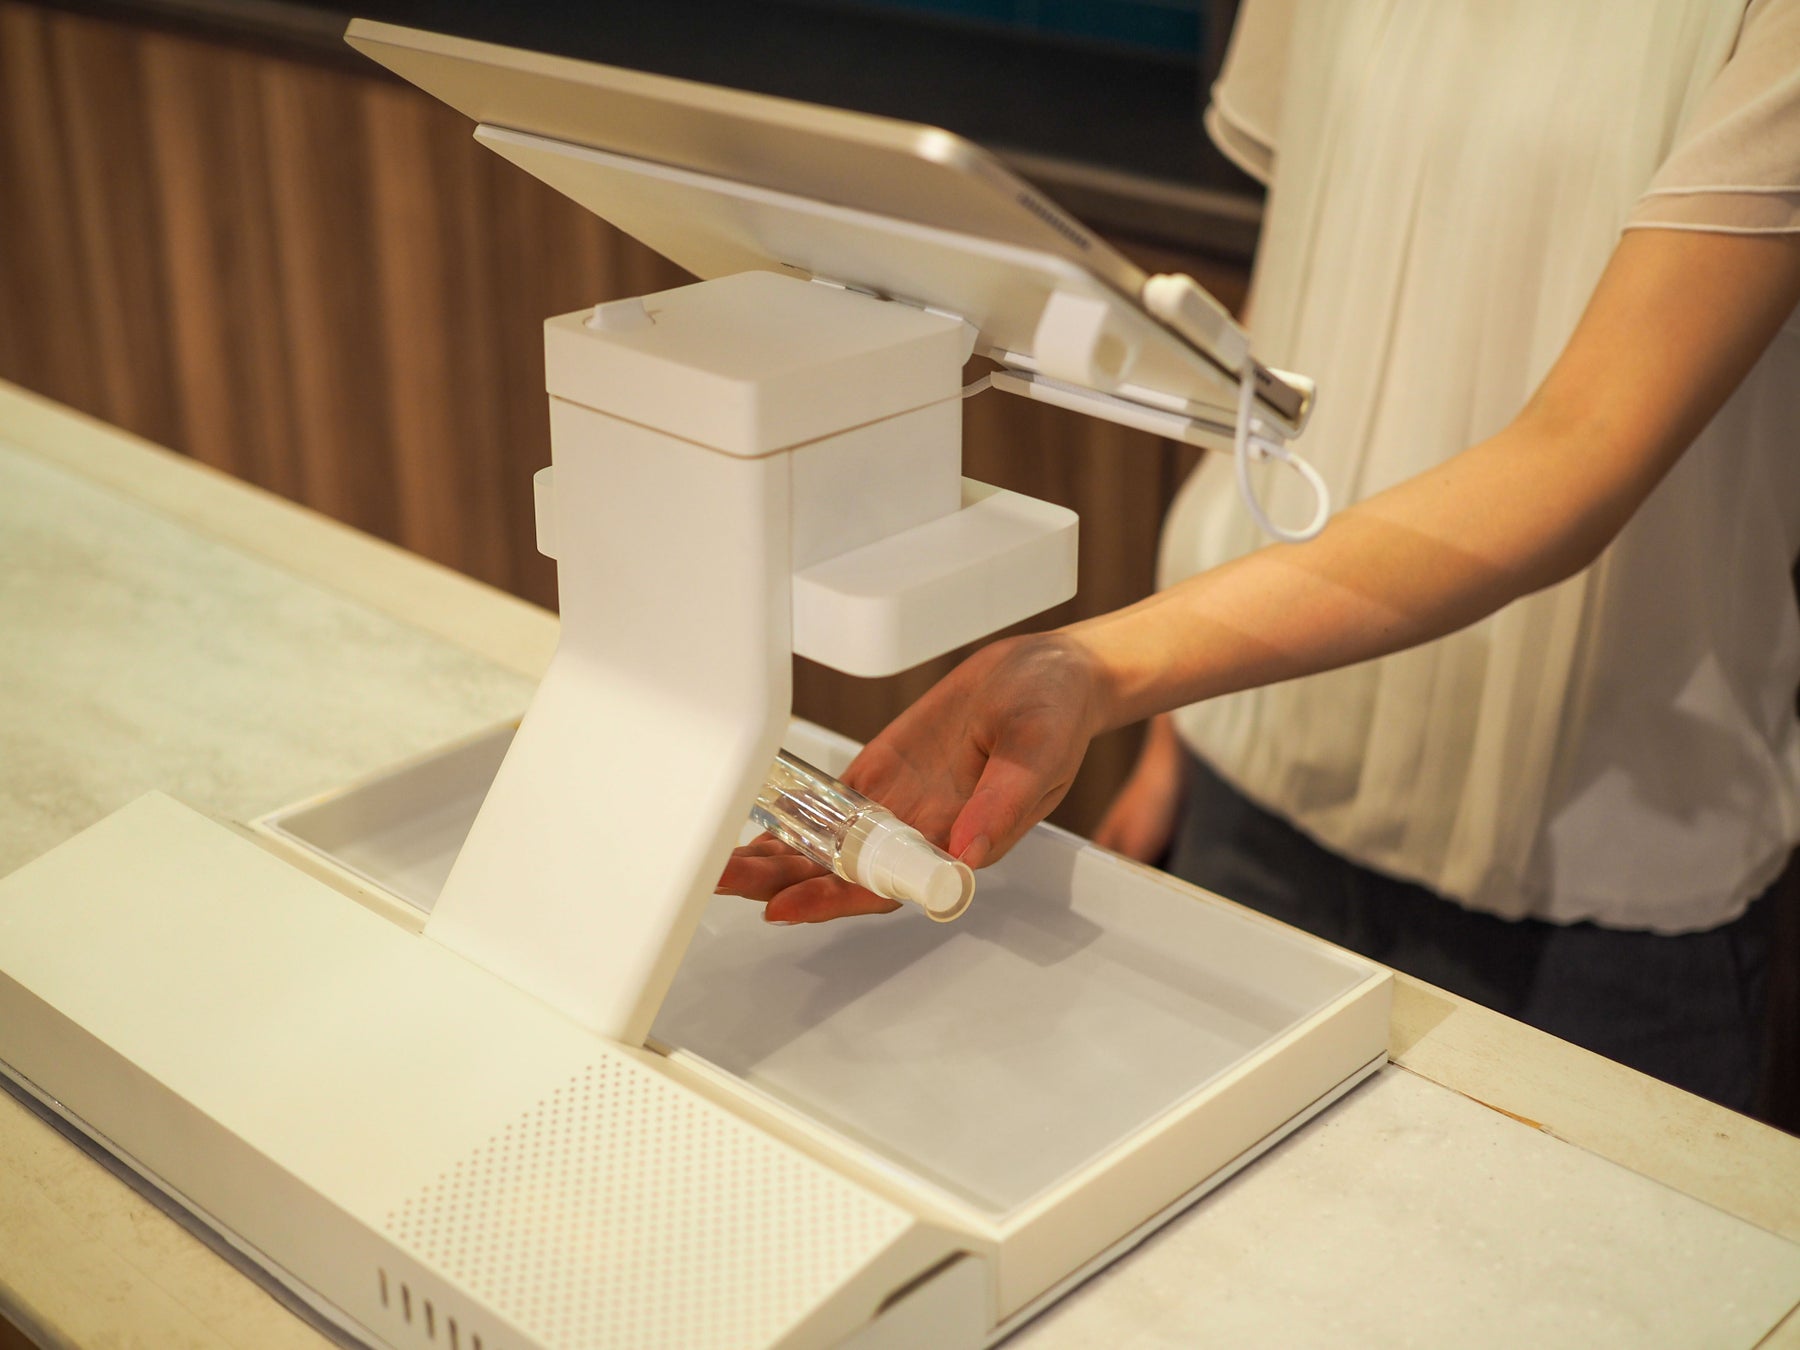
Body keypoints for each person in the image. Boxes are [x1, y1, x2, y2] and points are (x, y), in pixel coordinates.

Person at [720, 0, 1800, 1113]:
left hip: (1601, 874)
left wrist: (1101, 667)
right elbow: (1302, 301)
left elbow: (1581, 448)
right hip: (1257, 763)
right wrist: (1182, 731)